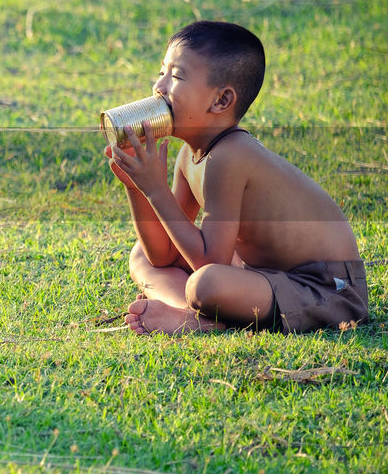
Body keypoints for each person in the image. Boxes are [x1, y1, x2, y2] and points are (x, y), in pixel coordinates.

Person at [105, 20, 368, 335]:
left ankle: (199, 317)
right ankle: (196, 313)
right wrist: (137, 188)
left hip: (325, 288)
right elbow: (163, 254)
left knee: (207, 283)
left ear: (221, 101)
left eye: (176, 76)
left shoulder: (230, 156)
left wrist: (157, 191)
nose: (160, 87)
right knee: (143, 256)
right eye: (162, 72)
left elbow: (209, 261)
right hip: (259, 275)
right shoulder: (191, 155)